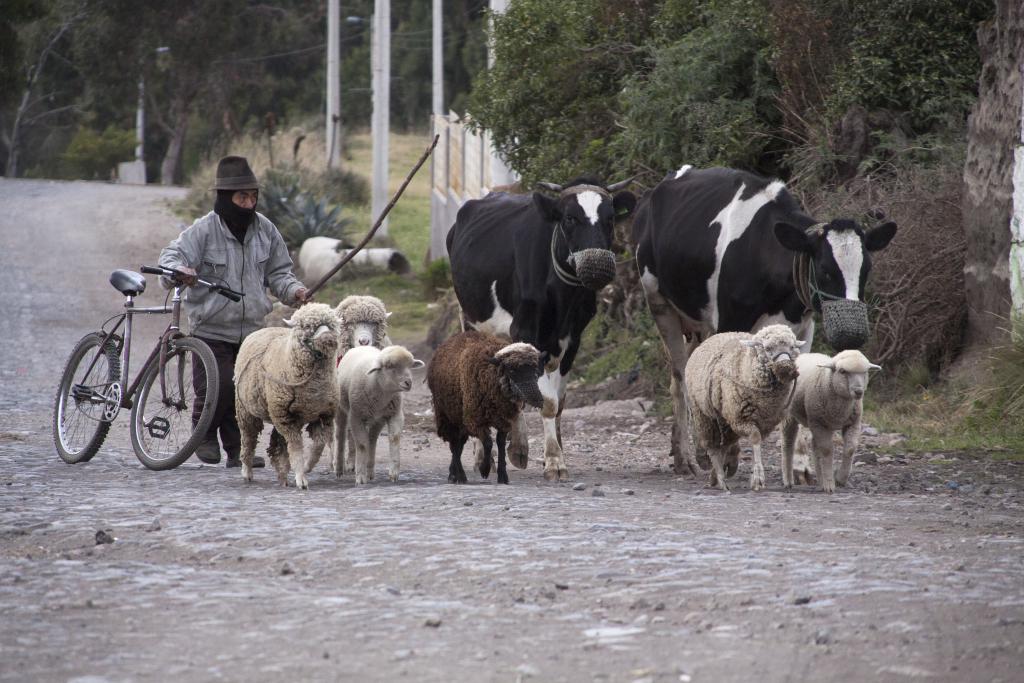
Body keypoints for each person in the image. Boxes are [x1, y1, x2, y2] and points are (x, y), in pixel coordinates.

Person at [159, 156, 310, 467]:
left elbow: (280, 272)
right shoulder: (202, 231)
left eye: (253, 196)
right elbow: (170, 256)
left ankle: (238, 450)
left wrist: (294, 291)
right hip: (211, 329)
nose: (249, 202)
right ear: (225, 198)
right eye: (242, 197)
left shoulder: (266, 230)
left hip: (253, 333)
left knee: (246, 394)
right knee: (221, 385)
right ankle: (203, 434)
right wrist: (179, 269)